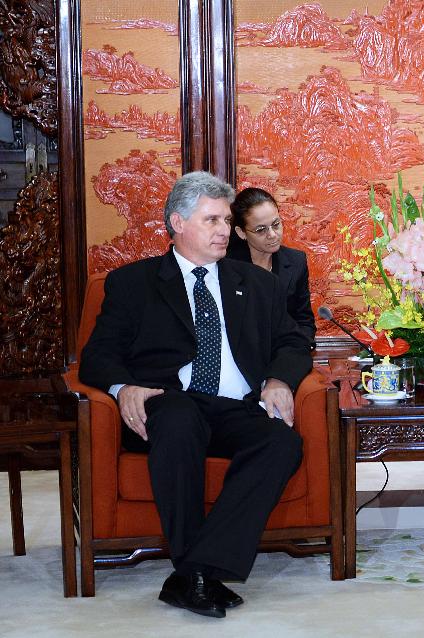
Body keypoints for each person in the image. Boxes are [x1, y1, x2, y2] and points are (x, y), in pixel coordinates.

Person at [79, 171, 311, 618]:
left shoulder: (256, 283)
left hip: (236, 406)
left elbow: (294, 341)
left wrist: (279, 379)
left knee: (281, 441)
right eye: (212, 220)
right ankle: (200, 573)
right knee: (181, 417)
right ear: (177, 223)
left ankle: (195, 572)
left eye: (226, 220)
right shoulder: (133, 283)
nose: (224, 230)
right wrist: (123, 387)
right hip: (169, 402)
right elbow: (97, 356)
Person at [226, 187, 316, 351]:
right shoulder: (226, 266)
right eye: (261, 230)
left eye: (276, 224)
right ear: (241, 232)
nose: (273, 235)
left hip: (286, 355)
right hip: (242, 358)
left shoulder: (296, 261)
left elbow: (304, 321)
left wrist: (296, 351)